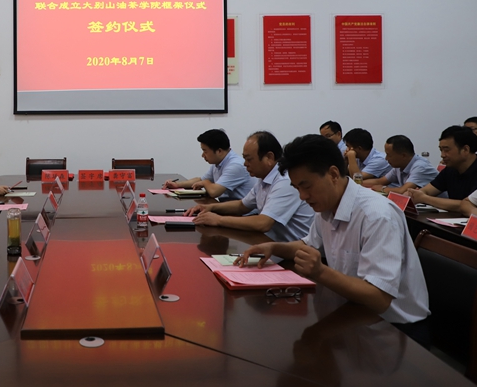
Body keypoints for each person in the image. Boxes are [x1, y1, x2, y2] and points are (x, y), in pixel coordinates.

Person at [239, 135, 430, 341]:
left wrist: (320, 271)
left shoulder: (377, 216)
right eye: (297, 188)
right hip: (353, 313)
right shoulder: (327, 206)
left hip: (394, 330)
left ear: (333, 174)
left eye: (306, 186)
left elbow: (379, 298)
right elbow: (307, 245)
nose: (302, 196)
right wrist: (273, 248)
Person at [185, 131, 314, 242]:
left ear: (269, 157)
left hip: (294, 253)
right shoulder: (264, 178)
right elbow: (242, 206)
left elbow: (263, 223)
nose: (245, 164)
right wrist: (210, 207)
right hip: (272, 244)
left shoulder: (285, 181)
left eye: (249, 159)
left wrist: (219, 220)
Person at [406, 126, 477, 211]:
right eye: (441, 150)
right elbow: (427, 191)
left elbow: (467, 205)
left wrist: (424, 198)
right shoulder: (450, 169)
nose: (442, 155)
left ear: (465, 149)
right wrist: (414, 194)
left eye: (446, 150)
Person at [163, 129, 255, 201]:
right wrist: (177, 185)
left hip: (245, 215)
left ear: (219, 151)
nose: (202, 155)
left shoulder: (235, 165)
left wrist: (205, 183)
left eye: (205, 151)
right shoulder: (219, 162)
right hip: (230, 209)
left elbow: (214, 192)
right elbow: (201, 179)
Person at [363, 135, 437, 195]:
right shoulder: (398, 166)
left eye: (389, 155)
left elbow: (402, 191)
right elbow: (380, 182)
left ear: (403, 156)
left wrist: (383, 188)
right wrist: (357, 184)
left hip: (438, 207)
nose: (386, 158)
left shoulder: (420, 167)